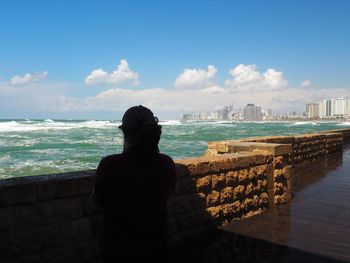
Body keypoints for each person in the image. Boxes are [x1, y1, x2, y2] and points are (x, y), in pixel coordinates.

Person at [93, 105, 177, 262]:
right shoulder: (166, 163)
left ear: (124, 132)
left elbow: (99, 200)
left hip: (117, 249)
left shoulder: (109, 165)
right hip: (157, 245)